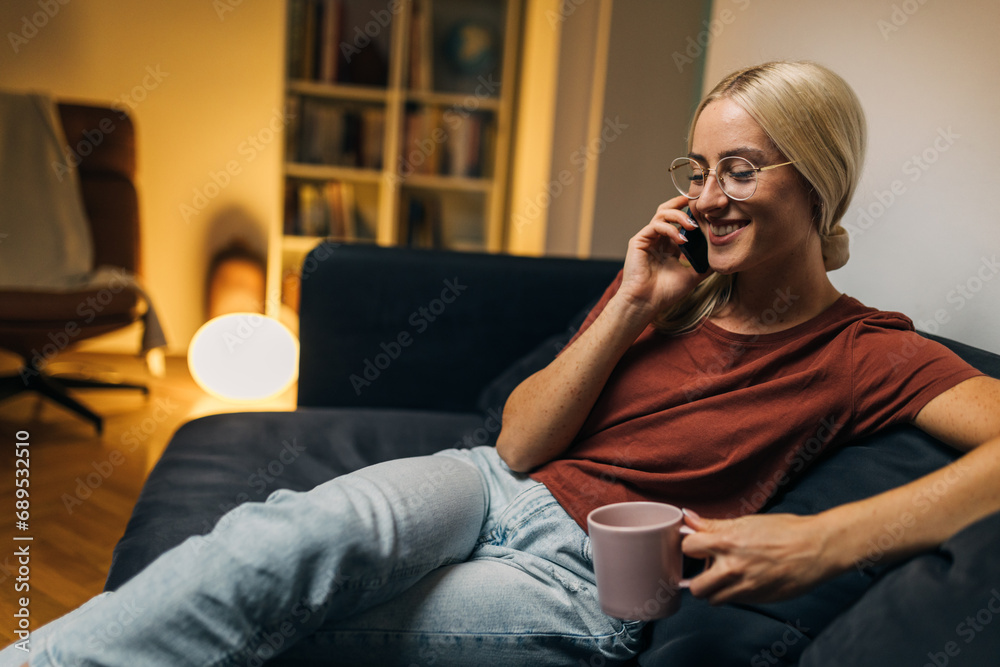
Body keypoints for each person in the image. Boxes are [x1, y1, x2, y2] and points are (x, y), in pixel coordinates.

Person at [4, 60, 999, 667]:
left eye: (739, 170)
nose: (706, 198)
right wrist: (629, 306)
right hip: (488, 486)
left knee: (284, 626)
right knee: (275, 545)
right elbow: (519, 442)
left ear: (817, 183)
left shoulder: (869, 349)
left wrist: (824, 540)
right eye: (696, 172)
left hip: (583, 581)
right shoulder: (671, 279)